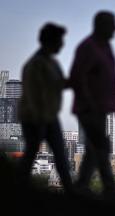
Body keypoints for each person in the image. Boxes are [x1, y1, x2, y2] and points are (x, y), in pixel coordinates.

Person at [69, 11, 115, 197]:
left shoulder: (105, 47)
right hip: (88, 108)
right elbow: (77, 76)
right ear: (101, 26)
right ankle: (109, 188)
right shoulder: (87, 47)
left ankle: (82, 186)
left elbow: (110, 78)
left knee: (95, 147)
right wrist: (89, 102)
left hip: (101, 109)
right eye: (112, 25)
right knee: (101, 145)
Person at [18, 23, 72, 192]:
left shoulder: (52, 63)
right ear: (51, 41)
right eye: (60, 41)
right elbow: (33, 94)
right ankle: (18, 189)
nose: (62, 44)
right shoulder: (35, 64)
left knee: (60, 154)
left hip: (49, 116)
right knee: (32, 153)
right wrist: (38, 119)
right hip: (34, 118)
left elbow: (60, 84)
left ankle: (70, 190)